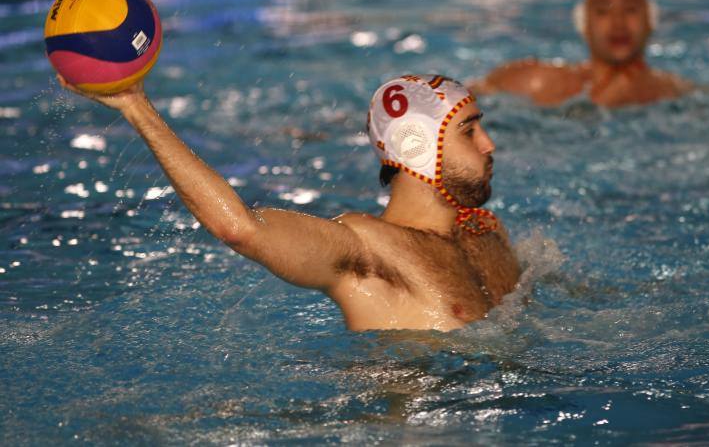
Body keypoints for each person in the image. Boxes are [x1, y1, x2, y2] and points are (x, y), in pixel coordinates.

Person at [56, 73, 521, 332]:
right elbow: (240, 228)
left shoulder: (486, 231)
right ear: (418, 145)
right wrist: (137, 107)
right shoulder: (364, 252)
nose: (489, 144)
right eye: (469, 130)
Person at [471, 0, 691, 107]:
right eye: (603, 11)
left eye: (631, 10)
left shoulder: (674, 91)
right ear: (583, 25)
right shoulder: (535, 81)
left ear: (651, 22)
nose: (618, 23)